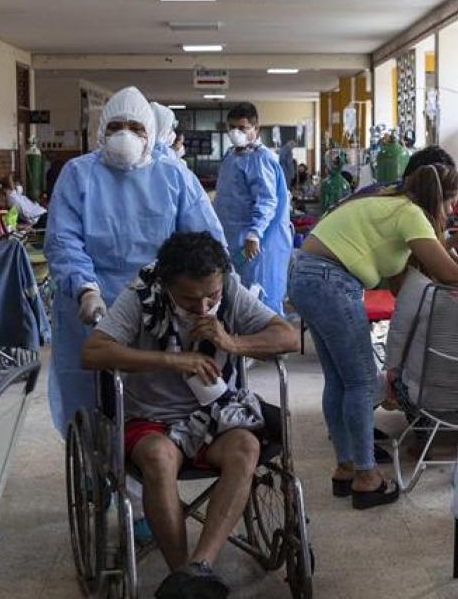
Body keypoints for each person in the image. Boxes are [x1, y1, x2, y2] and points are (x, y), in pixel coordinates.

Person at [82, 231, 297, 599]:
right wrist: (170, 359)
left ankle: (198, 569)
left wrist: (232, 342)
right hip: (150, 417)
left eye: (210, 296)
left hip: (215, 412)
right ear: (166, 286)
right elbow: (93, 352)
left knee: (246, 447)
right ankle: (181, 572)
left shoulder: (229, 289)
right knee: (158, 456)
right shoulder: (141, 296)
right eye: (189, 299)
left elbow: (288, 337)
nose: (202, 307)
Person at [288, 164, 458, 508]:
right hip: (331, 281)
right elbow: (448, 273)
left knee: (339, 380)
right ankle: (366, 476)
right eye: (451, 203)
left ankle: (347, 467)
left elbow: (410, 278)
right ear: (439, 199)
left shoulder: (388, 203)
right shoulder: (410, 213)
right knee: (362, 382)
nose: (451, 212)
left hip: (305, 274)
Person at [44, 86, 225, 434]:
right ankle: (98, 451)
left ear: (151, 133)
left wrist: (211, 295)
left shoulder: (173, 176)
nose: (124, 134)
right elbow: (63, 240)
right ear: (101, 131)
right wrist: (85, 288)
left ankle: (158, 446)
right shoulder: (78, 174)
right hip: (93, 303)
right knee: (90, 395)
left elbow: (205, 243)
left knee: (160, 393)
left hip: (162, 303)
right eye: (115, 127)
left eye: (136, 127)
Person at [212, 103, 293, 316]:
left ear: (256, 129)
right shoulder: (231, 155)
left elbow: (266, 200)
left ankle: (270, 337)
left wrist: (254, 233)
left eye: (242, 128)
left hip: (256, 243)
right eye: (231, 127)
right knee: (236, 300)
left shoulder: (261, 158)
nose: (235, 132)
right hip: (233, 240)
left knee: (260, 299)